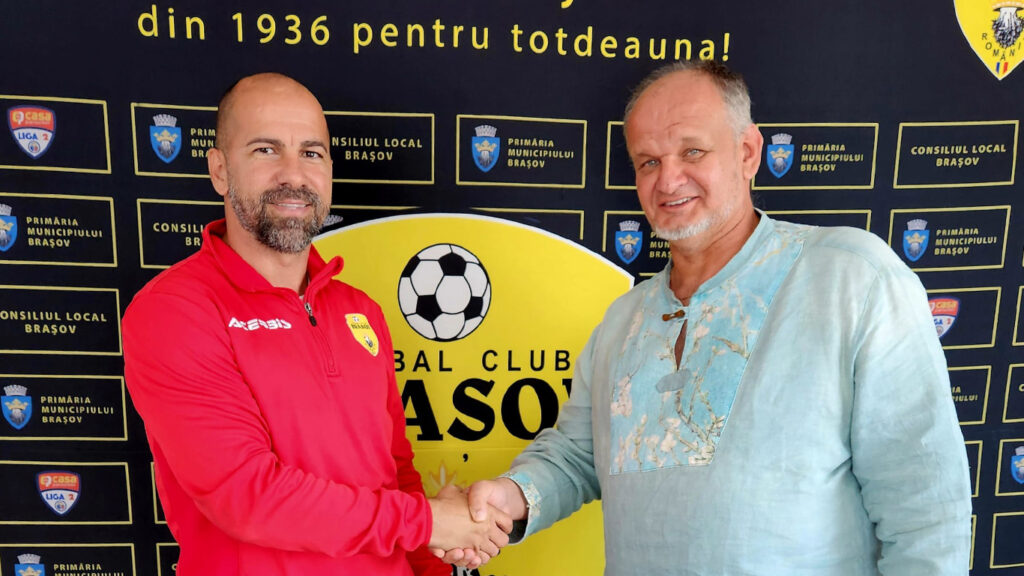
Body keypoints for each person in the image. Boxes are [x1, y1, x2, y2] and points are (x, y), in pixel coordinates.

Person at [445, 61, 973, 575]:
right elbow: (577, 455)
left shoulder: (852, 278)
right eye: (648, 162)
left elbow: (925, 510)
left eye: (692, 151)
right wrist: (510, 496)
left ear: (747, 152)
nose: (668, 179)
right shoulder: (622, 320)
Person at [122, 73, 509, 576]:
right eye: (266, 150)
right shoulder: (175, 311)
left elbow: (397, 474)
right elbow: (248, 498)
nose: (294, 175)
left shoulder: (359, 310)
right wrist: (431, 522)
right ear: (219, 170)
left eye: (312, 153)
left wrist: (435, 550)